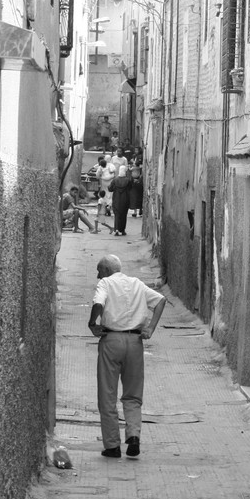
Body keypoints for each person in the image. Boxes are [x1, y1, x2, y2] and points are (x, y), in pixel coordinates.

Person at [88, 254, 166, 458]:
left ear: (105, 270)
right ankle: (133, 436)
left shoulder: (105, 283)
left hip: (111, 340)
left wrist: (92, 323)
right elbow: (160, 301)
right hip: (134, 342)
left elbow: (98, 303)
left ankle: (112, 446)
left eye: (98, 270)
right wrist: (150, 329)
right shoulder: (137, 284)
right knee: (132, 393)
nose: (97, 275)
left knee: (107, 394)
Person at [109, 165, 132, 236]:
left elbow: (110, 189)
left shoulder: (115, 180)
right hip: (125, 199)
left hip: (116, 199)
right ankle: (122, 230)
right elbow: (130, 188)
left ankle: (116, 230)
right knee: (124, 215)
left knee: (117, 215)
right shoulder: (128, 180)